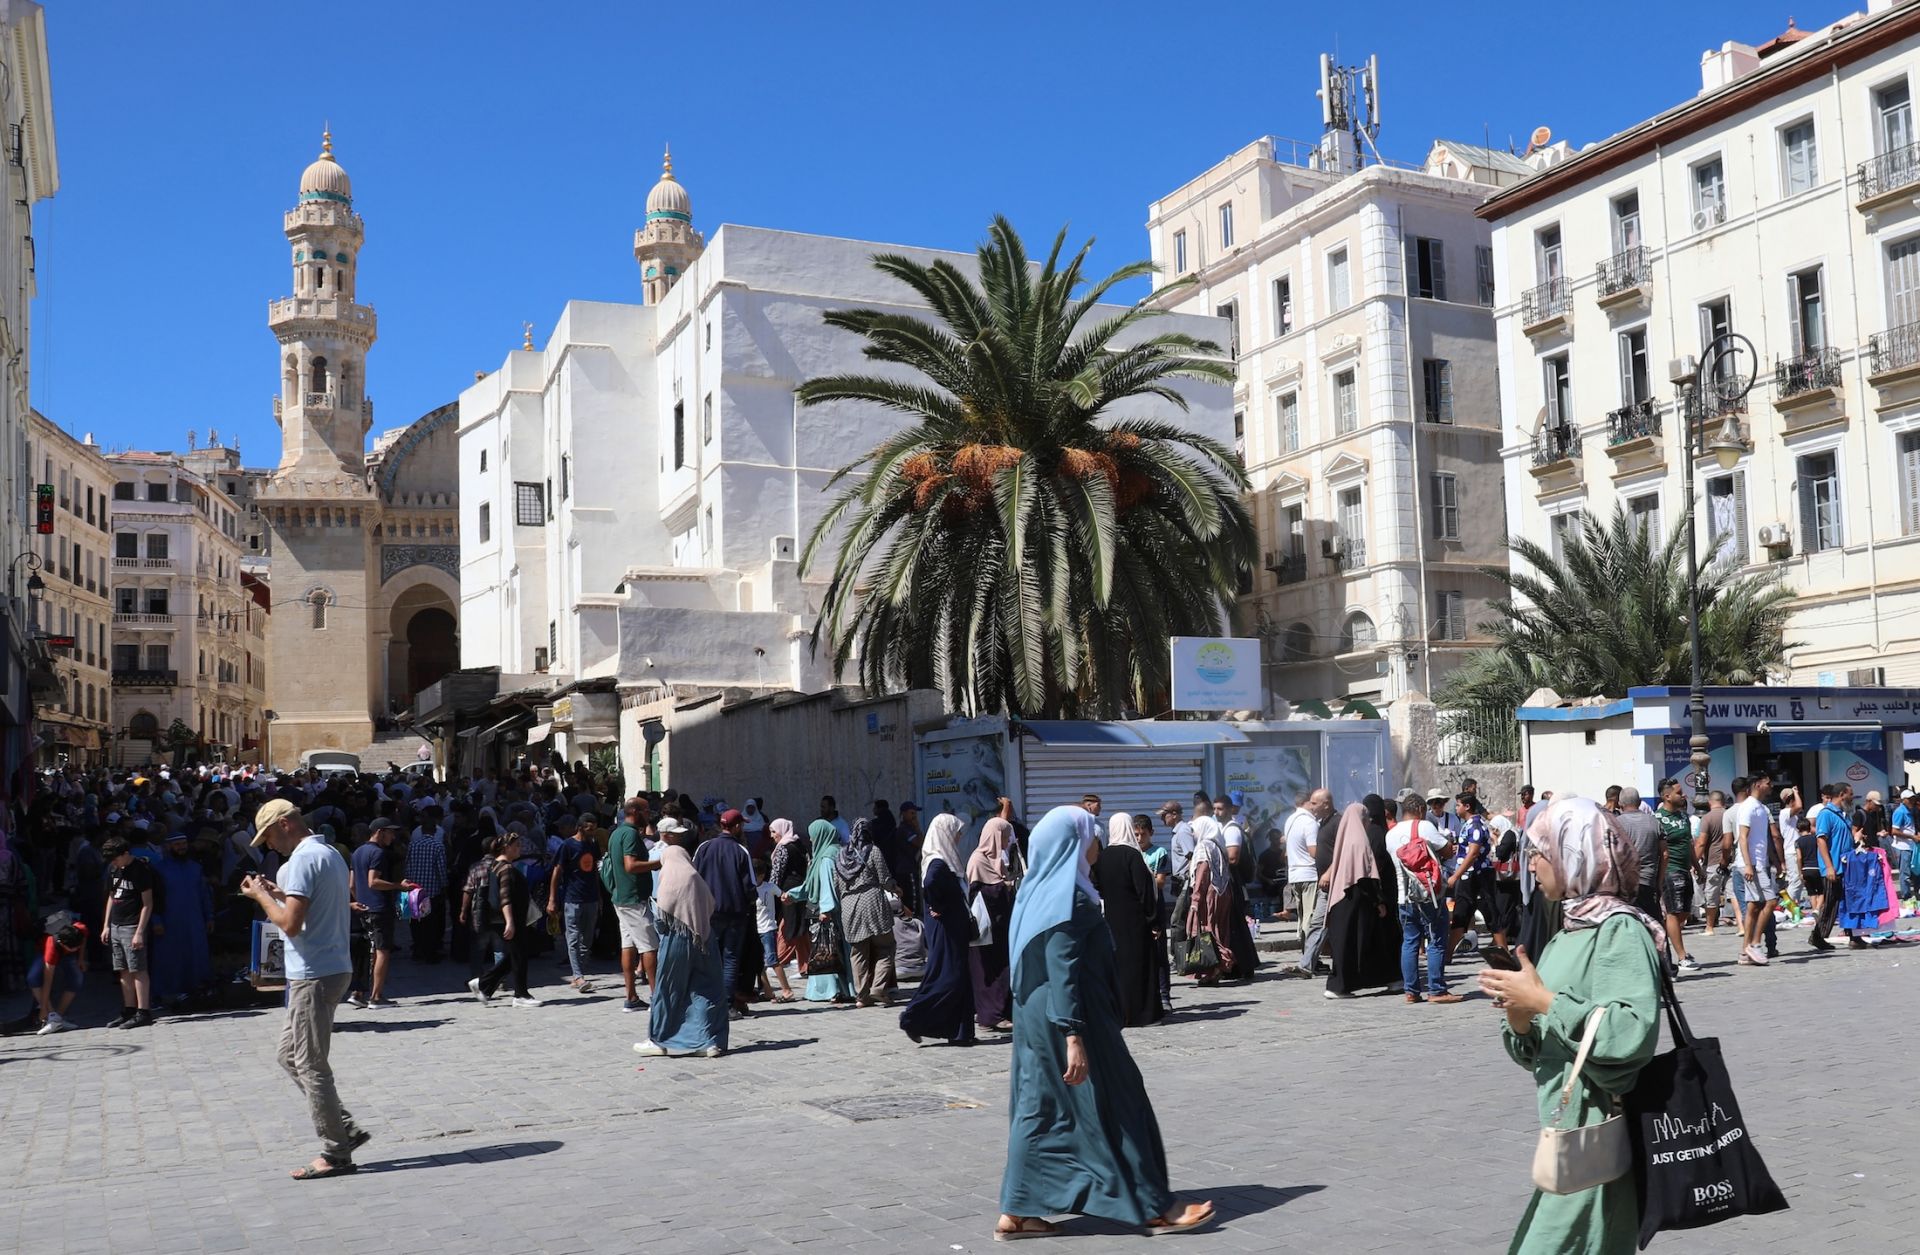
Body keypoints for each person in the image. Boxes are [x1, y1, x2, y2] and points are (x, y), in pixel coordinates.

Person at [994, 806, 1214, 1240]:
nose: (1096, 843)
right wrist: (1073, 1033)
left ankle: (1017, 1211)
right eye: (1090, 836)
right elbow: (1062, 966)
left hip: (1037, 1015)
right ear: (1072, 845)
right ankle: (1153, 1207)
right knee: (1118, 1101)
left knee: (1039, 1106)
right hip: (1074, 1016)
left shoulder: (1036, 890)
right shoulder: (1069, 898)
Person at [1479, 795, 1664, 1255]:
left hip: (1599, 1136)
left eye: (1540, 853)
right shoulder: (1569, 929)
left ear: (1574, 853)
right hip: (1568, 1140)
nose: (1533, 865)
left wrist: (1543, 1000)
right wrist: (1519, 1015)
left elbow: (1630, 1033)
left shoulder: (1619, 930)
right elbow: (1539, 1047)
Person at [241, 798, 371, 1179]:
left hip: (313, 973)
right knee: (290, 1055)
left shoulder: (298, 861)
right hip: (329, 967)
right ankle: (342, 1127)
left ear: (285, 824)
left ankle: (336, 1152)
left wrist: (261, 896)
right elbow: (310, 906)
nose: (268, 846)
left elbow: (291, 925)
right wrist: (278, 892)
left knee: (311, 1064)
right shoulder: (327, 852)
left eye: (267, 837)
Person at [634, 817, 728, 1058]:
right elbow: (710, 903)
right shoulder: (692, 874)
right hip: (704, 937)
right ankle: (708, 1042)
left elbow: (663, 907)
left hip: (677, 938)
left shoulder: (669, 872)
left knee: (667, 988)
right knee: (706, 988)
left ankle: (659, 1039)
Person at [899, 812, 977, 1044]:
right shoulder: (937, 862)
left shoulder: (943, 860)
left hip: (954, 928)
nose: (957, 839)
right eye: (954, 834)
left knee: (961, 978)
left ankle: (962, 1033)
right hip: (946, 929)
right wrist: (937, 904)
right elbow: (931, 882)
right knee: (948, 976)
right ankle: (912, 1018)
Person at [1321, 801, 1401, 999]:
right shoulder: (1359, 842)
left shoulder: (1345, 840)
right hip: (1358, 902)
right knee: (1367, 942)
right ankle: (1341, 986)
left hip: (1344, 901)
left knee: (1349, 944)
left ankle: (1342, 984)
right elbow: (1364, 877)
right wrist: (1379, 901)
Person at [1389, 791, 1460, 1005]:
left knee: (1410, 941)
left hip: (1405, 895)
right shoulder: (1425, 826)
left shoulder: (1389, 834)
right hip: (1430, 894)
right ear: (1421, 810)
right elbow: (1447, 851)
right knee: (1437, 940)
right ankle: (1437, 990)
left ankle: (1411, 991)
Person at [1091, 812, 1162, 1026]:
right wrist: (1154, 921)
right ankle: (1144, 1014)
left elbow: (1097, 886)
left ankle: (1121, 1013)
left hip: (1112, 918)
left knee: (1118, 967)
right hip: (1135, 921)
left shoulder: (1101, 857)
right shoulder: (1132, 855)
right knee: (1140, 966)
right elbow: (1145, 892)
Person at [832, 817, 902, 1007]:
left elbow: (837, 886)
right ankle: (878, 988)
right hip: (872, 902)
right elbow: (885, 879)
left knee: (858, 952)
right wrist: (896, 889)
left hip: (848, 905)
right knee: (886, 946)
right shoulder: (873, 850)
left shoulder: (839, 856)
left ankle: (861, 997)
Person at [695, 808, 759, 1015]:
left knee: (711, 958)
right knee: (731, 958)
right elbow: (750, 886)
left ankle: (710, 1002)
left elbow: (693, 878)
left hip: (709, 913)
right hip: (735, 914)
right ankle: (727, 1004)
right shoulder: (741, 851)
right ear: (737, 826)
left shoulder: (704, 848)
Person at [467, 831, 541, 1006]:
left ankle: (484, 985)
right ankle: (520, 995)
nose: (519, 849)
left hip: (509, 918)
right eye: (516, 846)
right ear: (506, 848)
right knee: (519, 956)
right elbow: (505, 897)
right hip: (511, 918)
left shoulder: (496, 866)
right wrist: (510, 921)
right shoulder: (506, 868)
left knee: (515, 955)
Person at [349, 818, 413, 1007]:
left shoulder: (358, 852)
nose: (393, 837)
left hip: (362, 909)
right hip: (379, 908)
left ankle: (358, 992)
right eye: (391, 833)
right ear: (380, 831)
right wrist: (398, 886)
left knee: (366, 951)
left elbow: (352, 884)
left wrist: (359, 900)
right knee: (382, 951)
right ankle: (376, 997)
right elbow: (373, 881)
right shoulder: (379, 853)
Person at [607, 799, 661, 1012]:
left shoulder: (616, 833)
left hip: (621, 898)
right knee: (650, 946)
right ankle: (657, 996)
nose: (649, 815)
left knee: (628, 946)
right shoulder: (629, 834)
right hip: (634, 899)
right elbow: (630, 865)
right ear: (635, 811)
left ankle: (631, 996)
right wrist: (659, 862)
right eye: (647, 810)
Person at [150, 830, 213, 1005]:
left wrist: (209, 917)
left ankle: (197, 992)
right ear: (168, 846)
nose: (181, 848)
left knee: (195, 957)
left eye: (183, 844)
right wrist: (156, 921)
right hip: (169, 923)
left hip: (194, 922)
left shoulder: (195, 868)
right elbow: (153, 898)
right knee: (169, 959)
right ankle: (165, 995)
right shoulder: (158, 870)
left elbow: (204, 895)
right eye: (177, 845)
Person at [967, 815, 1017, 1032]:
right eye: (1004, 837)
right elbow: (978, 893)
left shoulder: (996, 860)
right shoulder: (978, 860)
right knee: (988, 972)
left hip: (1001, 928)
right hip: (987, 931)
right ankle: (991, 1015)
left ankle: (1001, 1011)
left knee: (1002, 969)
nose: (1006, 842)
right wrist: (1003, 888)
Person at [101, 836, 155, 1030]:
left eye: (116, 858)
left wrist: (139, 931)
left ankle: (144, 1011)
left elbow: (147, 904)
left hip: (132, 925)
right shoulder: (113, 869)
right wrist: (106, 925)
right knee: (123, 969)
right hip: (115, 924)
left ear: (125, 854)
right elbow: (110, 896)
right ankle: (129, 1009)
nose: (113, 862)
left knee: (138, 968)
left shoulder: (140, 870)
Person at [547, 811, 604, 994]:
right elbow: (557, 872)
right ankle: (578, 976)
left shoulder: (592, 844)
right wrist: (552, 899)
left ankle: (578, 973)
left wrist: (600, 896)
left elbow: (594, 870)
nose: (592, 832)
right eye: (589, 828)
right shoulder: (567, 846)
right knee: (572, 937)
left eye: (594, 828)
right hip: (573, 899)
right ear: (580, 827)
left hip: (591, 898)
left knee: (587, 939)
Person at [799, 818, 854, 1004]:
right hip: (840, 910)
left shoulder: (825, 859)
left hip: (827, 913)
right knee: (837, 949)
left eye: (813, 836)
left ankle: (832, 990)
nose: (812, 840)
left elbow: (827, 886)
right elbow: (811, 885)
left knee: (827, 951)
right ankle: (844, 988)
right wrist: (793, 894)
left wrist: (826, 909)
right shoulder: (838, 851)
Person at [1729, 774, 1775, 966]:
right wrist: (1748, 864)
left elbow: (1764, 838)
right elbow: (1743, 837)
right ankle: (1755, 943)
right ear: (1757, 785)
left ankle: (1744, 951)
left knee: (1754, 906)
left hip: (1759, 862)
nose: (1771, 786)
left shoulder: (1761, 808)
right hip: (1751, 863)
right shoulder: (1748, 807)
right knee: (1771, 901)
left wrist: (1773, 859)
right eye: (1768, 783)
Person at [1653, 778, 1698, 972]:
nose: (1684, 795)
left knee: (1684, 913)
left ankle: (1663, 936)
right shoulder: (1658, 819)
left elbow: (1689, 844)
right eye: (1679, 793)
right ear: (1667, 796)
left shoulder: (1682, 817)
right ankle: (1682, 957)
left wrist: (1698, 867)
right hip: (1670, 871)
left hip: (1685, 870)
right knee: (1673, 911)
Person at [1280, 790, 1325, 978]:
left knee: (1303, 918)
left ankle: (1311, 958)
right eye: (1313, 804)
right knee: (1311, 919)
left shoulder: (1290, 820)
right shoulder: (1309, 822)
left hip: (1295, 874)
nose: (1315, 807)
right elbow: (1314, 851)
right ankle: (1309, 960)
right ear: (1307, 803)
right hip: (1309, 874)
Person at [1611, 788, 1665, 924]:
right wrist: (1659, 882)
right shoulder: (1655, 822)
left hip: (1625, 884)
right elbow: (1665, 854)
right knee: (1653, 924)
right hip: (1649, 881)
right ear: (1640, 802)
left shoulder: (1616, 823)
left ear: (1620, 803)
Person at [405, 807, 449, 962]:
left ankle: (417, 949)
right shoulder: (438, 846)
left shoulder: (413, 845)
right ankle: (430, 953)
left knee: (416, 922)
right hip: (432, 891)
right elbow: (441, 870)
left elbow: (408, 866)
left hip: (414, 889)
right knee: (431, 924)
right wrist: (444, 888)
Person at [31, 920, 88, 1035]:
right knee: (33, 978)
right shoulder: (51, 947)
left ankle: (58, 1018)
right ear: (63, 944)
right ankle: (52, 1016)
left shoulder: (80, 929)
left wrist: (81, 959)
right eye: (74, 948)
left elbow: (83, 939)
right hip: (45, 951)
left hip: (67, 952)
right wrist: (43, 1009)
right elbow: (48, 982)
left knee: (76, 979)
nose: (76, 949)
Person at [753, 853, 793, 1002]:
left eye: (756, 875)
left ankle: (787, 990)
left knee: (772, 960)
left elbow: (783, 896)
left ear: (762, 875)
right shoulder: (749, 888)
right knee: (758, 963)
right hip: (755, 930)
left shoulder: (769, 887)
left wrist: (787, 898)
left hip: (768, 928)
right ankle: (768, 991)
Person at [1694, 791, 1731, 936]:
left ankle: (1709, 927)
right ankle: (1741, 924)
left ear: (1710, 802)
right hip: (1732, 860)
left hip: (1713, 861)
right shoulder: (1730, 814)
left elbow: (1701, 843)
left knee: (1711, 895)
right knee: (1733, 894)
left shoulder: (1707, 818)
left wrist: (1695, 862)